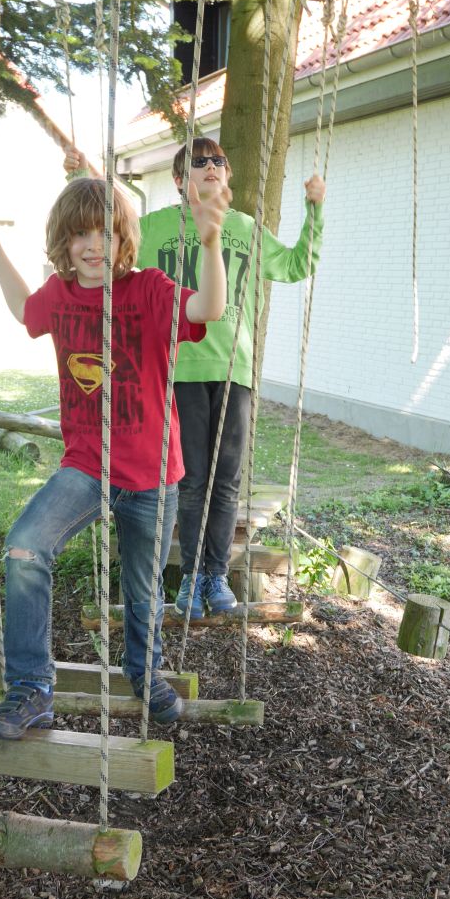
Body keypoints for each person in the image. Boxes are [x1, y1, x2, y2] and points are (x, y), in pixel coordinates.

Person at [0, 176, 230, 739]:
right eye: (79, 233)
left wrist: (210, 244)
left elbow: (210, 305)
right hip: (87, 466)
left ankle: (145, 671)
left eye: (104, 233)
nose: (92, 245)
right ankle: (31, 691)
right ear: (63, 242)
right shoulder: (60, 296)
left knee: (143, 587)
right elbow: (23, 308)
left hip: (154, 474)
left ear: (121, 239)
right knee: (25, 546)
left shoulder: (151, 290)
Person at [64, 139, 326, 620]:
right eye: (198, 163)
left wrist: (315, 209)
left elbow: (296, 265)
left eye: (218, 162)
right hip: (175, 369)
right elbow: (106, 238)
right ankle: (187, 579)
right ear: (181, 180)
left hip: (233, 370)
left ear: (228, 178)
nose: (210, 167)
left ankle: (215, 574)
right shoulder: (157, 226)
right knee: (190, 480)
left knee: (225, 482)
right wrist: (84, 179)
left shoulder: (246, 228)